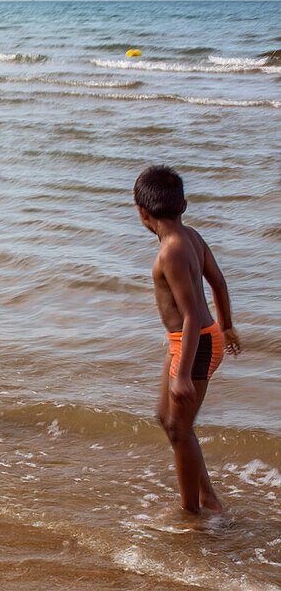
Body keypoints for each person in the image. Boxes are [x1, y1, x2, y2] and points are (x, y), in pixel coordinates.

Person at [134, 165, 241, 514]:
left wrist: (181, 375)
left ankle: (191, 514)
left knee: (180, 428)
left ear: (142, 213)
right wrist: (226, 325)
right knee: (166, 419)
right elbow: (219, 282)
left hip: (194, 344)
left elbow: (193, 313)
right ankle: (207, 498)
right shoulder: (190, 236)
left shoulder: (171, 251)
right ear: (184, 206)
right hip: (188, 341)